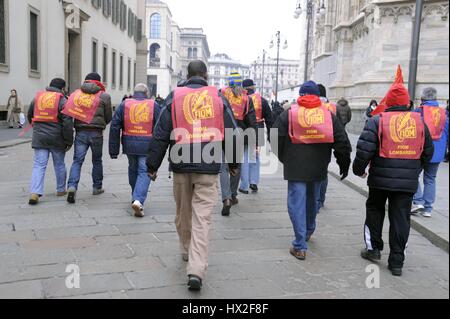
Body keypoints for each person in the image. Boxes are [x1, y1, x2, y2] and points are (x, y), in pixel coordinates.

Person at [146, 60, 239, 291]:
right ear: (206, 75)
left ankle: (187, 250)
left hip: (180, 163)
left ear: (187, 75)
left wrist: (152, 164)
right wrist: (234, 163)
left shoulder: (174, 96)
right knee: (202, 218)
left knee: (183, 213)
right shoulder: (218, 98)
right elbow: (232, 132)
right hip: (208, 165)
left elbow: (160, 132)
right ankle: (196, 268)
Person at [353, 83, 434, 276]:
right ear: (407, 103)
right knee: (401, 217)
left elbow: (364, 150)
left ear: (388, 101)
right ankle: (397, 261)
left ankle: (373, 249)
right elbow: (428, 152)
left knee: (375, 210)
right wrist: (414, 170)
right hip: (406, 183)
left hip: (379, 180)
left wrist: (358, 170)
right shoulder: (419, 123)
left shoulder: (376, 121)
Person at [272, 81, 352, 261]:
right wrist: (344, 164)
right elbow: (342, 141)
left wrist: (284, 157)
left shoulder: (289, 114)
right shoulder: (328, 115)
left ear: (300, 95)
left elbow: (274, 136)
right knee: (312, 200)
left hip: (295, 166)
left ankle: (300, 244)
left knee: (297, 203)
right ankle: (308, 230)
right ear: (317, 96)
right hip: (318, 165)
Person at [109, 84, 161, 217]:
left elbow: (114, 126)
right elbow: (160, 126)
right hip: (147, 144)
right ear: (146, 93)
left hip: (129, 144)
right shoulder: (153, 105)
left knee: (133, 168)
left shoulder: (124, 104)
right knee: (144, 171)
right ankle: (138, 199)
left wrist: (113, 149)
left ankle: (135, 194)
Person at [64, 73, 113, 204]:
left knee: (77, 161)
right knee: (97, 160)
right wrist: (101, 124)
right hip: (97, 132)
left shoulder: (76, 95)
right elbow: (108, 116)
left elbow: (70, 113)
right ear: (99, 82)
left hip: (81, 132)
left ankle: (72, 186)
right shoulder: (104, 96)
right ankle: (97, 187)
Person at [27, 78, 74, 205]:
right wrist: (69, 140)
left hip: (40, 137)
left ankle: (35, 193)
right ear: (63, 88)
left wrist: (36, 127)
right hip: (56, 138)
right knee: (59, 164)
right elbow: (67, 122)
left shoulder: (38, 98)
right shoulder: (63, 100)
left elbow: (30, 114)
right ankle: (60, 189)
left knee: (39, 165)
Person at [220, 73, 257, 216]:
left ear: (229, 83)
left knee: (223, 166)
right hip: (239, 134)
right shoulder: (246, 99)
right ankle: (234, 194)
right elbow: (251, 120)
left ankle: (226, 197)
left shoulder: (221, 95)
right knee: (236, 165)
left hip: (222, 132)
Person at [411, 88, 449, 218]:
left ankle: (418, 201)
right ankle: (428, 209)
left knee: (412, 175)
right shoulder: (444, 113)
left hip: (421, 150)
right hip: (438, 152)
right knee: (431, 179)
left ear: (422, 98)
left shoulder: (418, 112)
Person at [240, 79, 274, 194]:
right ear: (253, 88)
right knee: (255, 156)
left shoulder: (239, 99)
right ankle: (253, 182)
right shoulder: (262, 100)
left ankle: (244, 185)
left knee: (244, 157)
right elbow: (270, 119)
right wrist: (271, 136)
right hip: (258, 128)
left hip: (243, 130)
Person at [316, 84, 338, 210]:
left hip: (312, 141)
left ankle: (314, 198)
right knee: (324, 171)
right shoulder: (332, 106)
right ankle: (321, 199)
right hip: (328, 142)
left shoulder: (313, 105)